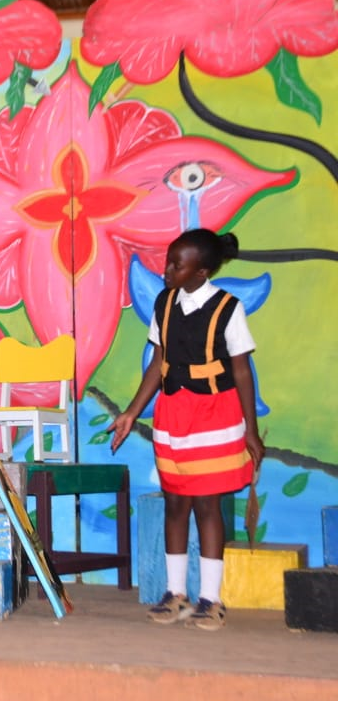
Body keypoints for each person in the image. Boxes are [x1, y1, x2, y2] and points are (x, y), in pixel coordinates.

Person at [109, 228, 264, 631]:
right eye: (168, 261)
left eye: (177, 265)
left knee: (207, 506)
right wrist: (131, 413)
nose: (167, 270)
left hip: (215, 414)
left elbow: (242, 371)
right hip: (173, 415)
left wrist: (251, 430)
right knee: (176, 503)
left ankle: (211, 600)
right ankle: (175, 593)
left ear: (202, 272)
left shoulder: (228, 308)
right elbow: (157, 363)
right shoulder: (164, 303)